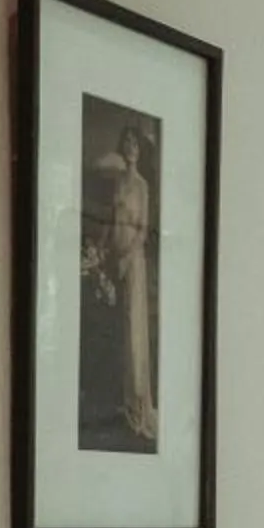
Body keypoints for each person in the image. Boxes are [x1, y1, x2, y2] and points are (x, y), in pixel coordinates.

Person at [98, 124, 155, 441]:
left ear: (140, 151)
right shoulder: (118, 183)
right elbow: (109, 220)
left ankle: (138, 405)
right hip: (114, 261)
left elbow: (143, 230)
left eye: (136, 142)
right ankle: (121, 402)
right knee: (116, 331)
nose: (131, 146)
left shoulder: (143, 187)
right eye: (127, 141)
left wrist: (127, 259)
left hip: (132, 264)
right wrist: (101, 250)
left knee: (134, 331)